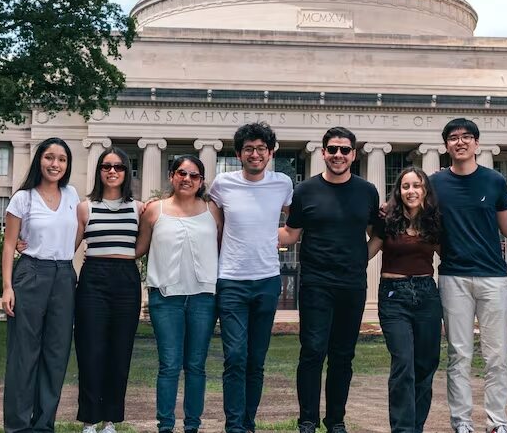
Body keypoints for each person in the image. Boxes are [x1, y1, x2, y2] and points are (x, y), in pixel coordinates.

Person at [278, 127, 380, 433]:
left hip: (352, 285)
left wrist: (360, 258)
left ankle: (336, 421)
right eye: (332, 149)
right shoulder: (305, 191)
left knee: (343, 355)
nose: (338, 155)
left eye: (344, 150)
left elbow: (378, 235)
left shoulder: (367, 191)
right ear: (323, 152)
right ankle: (307, 420)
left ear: (354, 154)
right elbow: (292, 234)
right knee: (312, 351)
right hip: (314, 284)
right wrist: (248, 228)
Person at [428, 118, 507, 433]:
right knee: (458, 354)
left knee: (497, 355)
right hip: (453, 278)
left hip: (493, 277)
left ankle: (497, 422)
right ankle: (461, 422)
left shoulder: (494, 182)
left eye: (466, 137)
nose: (460, 142)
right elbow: (424, 225)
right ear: (446, 145)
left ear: (476, 143)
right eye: (453, 137)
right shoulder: (435, 183)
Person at [209, 122, 294, 433]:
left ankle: (248, 423)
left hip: (267, 280)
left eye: (261, 149)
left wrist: (278, 237)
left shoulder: (282, 183)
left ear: (270, 153)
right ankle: (234, 425)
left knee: (256, 359)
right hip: (230, 280)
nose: (255, 154)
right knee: (235, 356)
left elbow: (294, 226)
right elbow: (212, 226)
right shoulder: (222, 184)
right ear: (239, 154)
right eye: (249, 149)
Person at [1, 137, 83, 433]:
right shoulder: (23, 198)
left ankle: (44, 425)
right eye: (50, 157)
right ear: (39, 160)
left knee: (56, 354)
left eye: (61, 159)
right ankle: (18, 426)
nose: (55, 164)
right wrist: (7, 287)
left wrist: (60, 251)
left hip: (64, 277)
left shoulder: (72, 195)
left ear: (67, 165)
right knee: (24, 355)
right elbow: (10, 245)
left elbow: (79, 232)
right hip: (31, 274)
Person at [143, 155, 223, 433]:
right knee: (169, 365)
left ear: (201, 181)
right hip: (165, 298)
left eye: (194, 175)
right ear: (171, 176)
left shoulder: (213, 210)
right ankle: (165, 426)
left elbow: (226, 247)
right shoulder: (154, 210)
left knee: (196, 366)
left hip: (203, 297)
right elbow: (138, 249)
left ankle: (192, 426)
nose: (187, 179)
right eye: (181, 173)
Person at [75, 147, 146, 433]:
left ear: (127, 172)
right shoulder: (85, 207)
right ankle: (90, 420)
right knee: (90, 350)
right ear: (99, 171)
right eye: (106, 166)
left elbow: (141, 246)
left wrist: (127, 259)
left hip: (126, 279)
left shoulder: (138, 208)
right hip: (93, 278)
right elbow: (69, 245)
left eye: (118, 166)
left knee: (120, 352)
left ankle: (110, 421)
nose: (112, 171)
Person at [368, 166, 442, 433]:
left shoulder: (433, 221)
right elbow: (368, 252)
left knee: (426, 364)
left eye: (417, 186)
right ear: (398, 191)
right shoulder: (387, 220)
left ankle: (416, 426)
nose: (411, 191)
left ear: (425, 191)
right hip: (393, 295)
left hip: (426, 294)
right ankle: (402, 429)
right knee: (403, 363)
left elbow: (449, 256)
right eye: (406, 186)